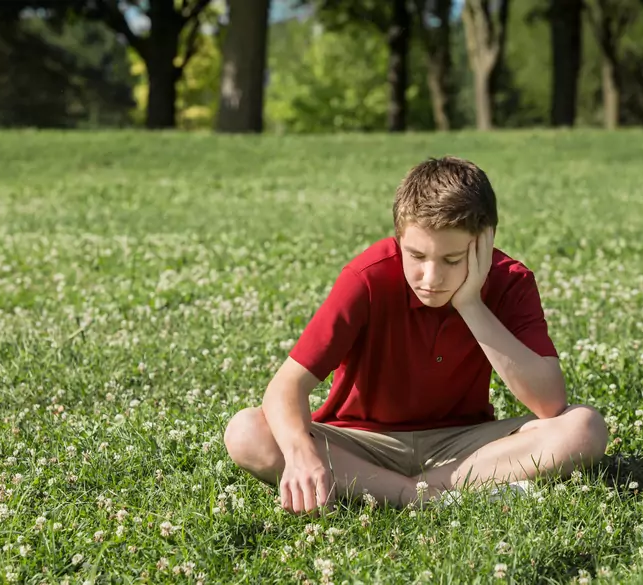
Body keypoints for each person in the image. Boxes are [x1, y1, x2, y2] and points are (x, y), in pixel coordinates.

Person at [224, 156, 608, 515]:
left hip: (463, 445)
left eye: (452, 260)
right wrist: (299, 452)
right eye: (417, 256)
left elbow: (550, 403)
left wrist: (471, 303)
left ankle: (410, 490)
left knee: (583, 427)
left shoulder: (512, 282)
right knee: (247, 431)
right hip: (361, 443)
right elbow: (285, 388)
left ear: (485, 240)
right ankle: (423, 495)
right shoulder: (368, 277)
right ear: (398, 239)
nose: (431, 277)